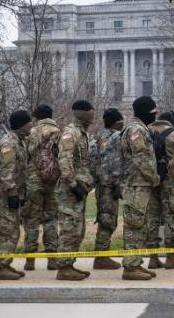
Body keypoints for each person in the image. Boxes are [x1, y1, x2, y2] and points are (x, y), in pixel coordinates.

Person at [120, 96, 161, 280]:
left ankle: (136, 263)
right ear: (145, 112)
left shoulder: (139, 128)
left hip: (140, 184)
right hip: (136, 185)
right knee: (134, 225)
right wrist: (154, 178)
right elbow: (141, 159)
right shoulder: (136, 130)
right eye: (153, 112)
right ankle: (130, 267)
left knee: (140, 225)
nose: (155, 115)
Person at [0, 110, 33, 280]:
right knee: (6, 231)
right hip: (4, 195)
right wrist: (12, 192)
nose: (31, 125)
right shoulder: (8, 143)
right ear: (22, 125)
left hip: (12, 193)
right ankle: (0, 268)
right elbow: (5, 171)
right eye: (28, 122)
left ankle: (5, 264)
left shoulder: (19, 141)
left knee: (12, 230)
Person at [55, 100, 96, 281]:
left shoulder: (82, 132)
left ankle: (69, 264)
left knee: (78, 228)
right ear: (81, 113)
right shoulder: (70, 133)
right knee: (70, 228)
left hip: (80, 188)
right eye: (90, 112)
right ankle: (64, 267)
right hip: (70, 190)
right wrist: (73, 185)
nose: (93, 115)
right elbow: (64, 160)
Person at [24, 104, 61, 271]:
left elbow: (25, 156)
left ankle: (30, 260)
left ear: (36, 117)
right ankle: (52, 259)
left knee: (31, 220)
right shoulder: (58, 132)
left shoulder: (30, 133)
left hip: (33, 181)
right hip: (52, 181)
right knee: (51, 219)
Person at [147, 110, 174, 270]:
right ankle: (171, 257)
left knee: (152, 218)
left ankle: (153, 258)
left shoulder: (147, 131)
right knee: (171, 217)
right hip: (170, 182)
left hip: (150, 181)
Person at [91, 108, 124, 270]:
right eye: (120, 121)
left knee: (107, 219)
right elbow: (109, 162)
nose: (122, 123)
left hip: (102, 184)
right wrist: (115, 183)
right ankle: (101, 256)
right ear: (115, 122)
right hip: (108, 186)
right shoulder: (112, 138)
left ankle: (102, 254)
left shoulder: (98, 136)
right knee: (107, 220)